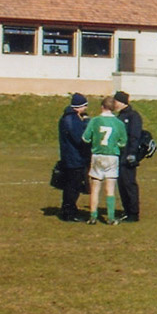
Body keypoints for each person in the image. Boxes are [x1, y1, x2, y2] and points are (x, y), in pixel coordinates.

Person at [82, 96, 128, 225]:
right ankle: (110, 217)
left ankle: (93, 216)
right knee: (110, 188)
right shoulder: (119, 123)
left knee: (95, 187)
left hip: (97, 155)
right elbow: (123, 142)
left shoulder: (95, 120)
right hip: (112, 156)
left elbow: (85, 138)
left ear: (102, 107)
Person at [58, 92, 91, 222]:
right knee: (73, 186)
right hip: (74, 159)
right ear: (79, 106)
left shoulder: (67, 118)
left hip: (70, 157)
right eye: (84, 106)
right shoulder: (72, 119)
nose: (86, 109)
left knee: (71, 186)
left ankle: (68, 209)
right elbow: (79, 138)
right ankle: (69, 213)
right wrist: (86, 124)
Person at [112, 90, 142, 222]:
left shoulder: (133, 116)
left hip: (128, 155)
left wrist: (132, 154)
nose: (114, 104)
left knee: (129, 183)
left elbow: (135, 136)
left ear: (122, 102)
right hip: (119, 155)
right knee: (122, 184)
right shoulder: (119, 117)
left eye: (116, 101)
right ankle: (126, 210)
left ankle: (133, 213)